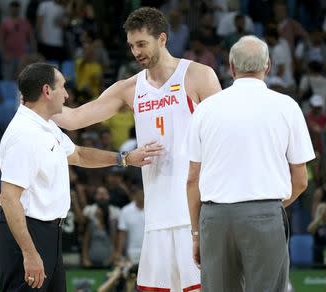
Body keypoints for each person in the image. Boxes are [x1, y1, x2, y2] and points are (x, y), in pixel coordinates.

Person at [53, 7, 221, 290]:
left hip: (196, 214)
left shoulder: (199, 76)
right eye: (131, 46)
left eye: (142, 44)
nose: (136, 52)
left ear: (163, 39)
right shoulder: (129, 88)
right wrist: (37, 103)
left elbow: (225, 137)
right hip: (156, 217)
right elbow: (75, 118)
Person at [0, 62, 163, 292]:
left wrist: (125, 158)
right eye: (62, 87)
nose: (66, 94)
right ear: (46, 91)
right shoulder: (23, 134)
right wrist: (29, 253)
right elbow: (9, 198)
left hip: (50, 233)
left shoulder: (47, 126)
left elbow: (79, 155)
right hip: (27, 234)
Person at [186, 35, 315, 291]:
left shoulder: (205, 109)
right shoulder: (287, 107)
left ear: (231, 67)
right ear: (267, 66)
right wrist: (267, 208)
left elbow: (192, 178)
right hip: (265, 214)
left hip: (215, 217)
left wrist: (196, 233)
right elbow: (300, 180)